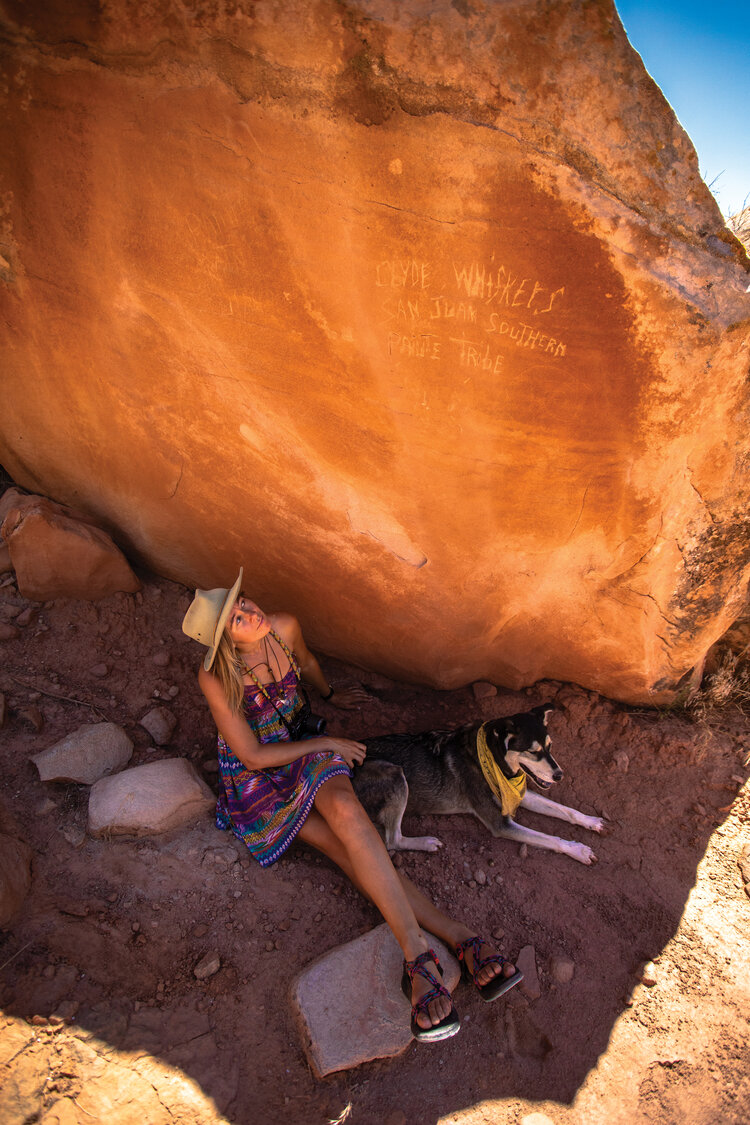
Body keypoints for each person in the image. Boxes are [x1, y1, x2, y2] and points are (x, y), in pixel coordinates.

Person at [182, 567, 522, 1042]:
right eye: (235, 619)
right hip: (261, 778)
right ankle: (460, 940)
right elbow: (253, 755)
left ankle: (420, 960)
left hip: (303, 741)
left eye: (243, 602)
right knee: (352, 852)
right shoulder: (215, 676)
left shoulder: (283, 626)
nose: (248, 612)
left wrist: (328, 693)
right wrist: (332, 744)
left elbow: (309, 661)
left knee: (348, 816)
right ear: (221, 641)